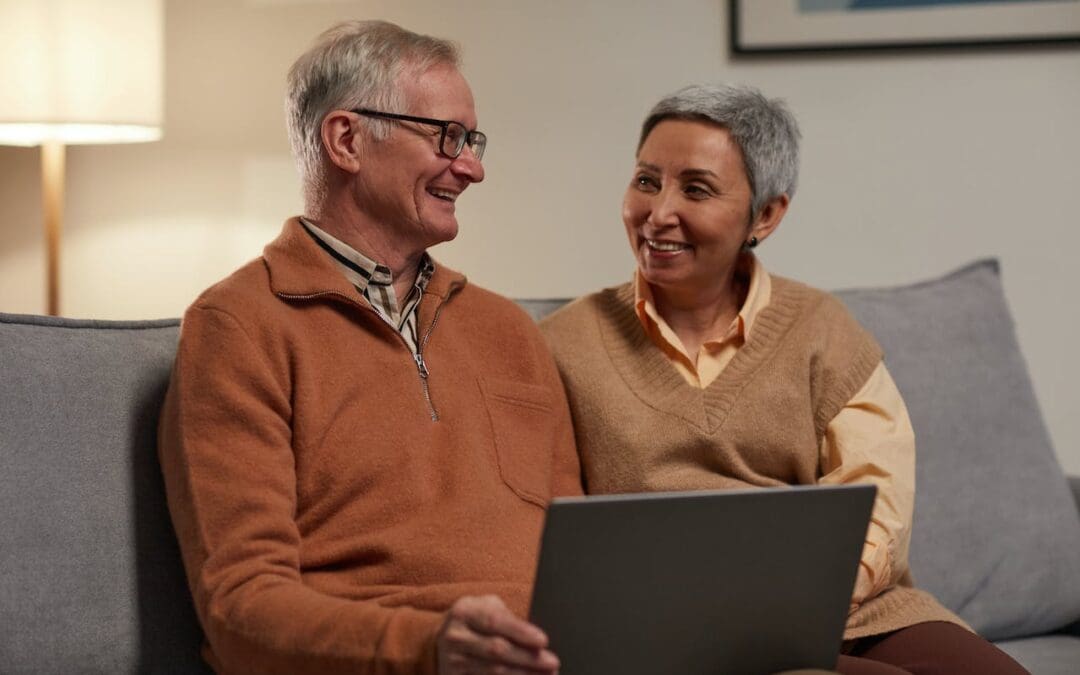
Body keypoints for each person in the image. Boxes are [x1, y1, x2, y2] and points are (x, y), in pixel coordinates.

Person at [539, 83, 1028, 675]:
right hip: (670, 632)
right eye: (647, 181)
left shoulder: (823, 329)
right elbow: (544, 525)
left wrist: (800, 603)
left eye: (695, 188)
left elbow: (879, 501)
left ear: (765, 215)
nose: (658, 213)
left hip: (858, 611)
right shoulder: (561, 346)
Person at [157, 20, 581, 675]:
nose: (471, 167)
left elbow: (586, 563)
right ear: (347, 139)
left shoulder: (511, 333)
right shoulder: (238, 327)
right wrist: (429, 648)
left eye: (472, 141)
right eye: (448, 137)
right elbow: (241, 607)